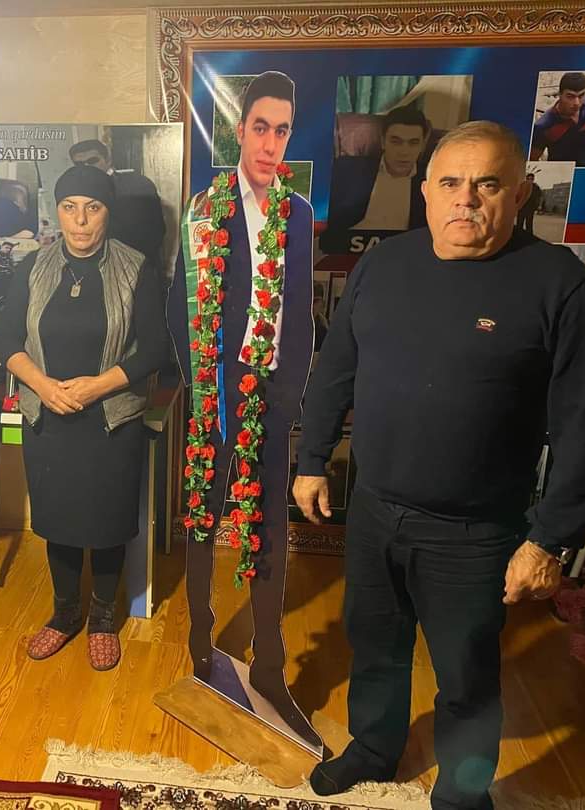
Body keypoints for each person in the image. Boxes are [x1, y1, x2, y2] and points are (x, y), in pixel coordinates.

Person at [293, 121, 585, 809]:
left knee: (466, 680)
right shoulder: (384, 265)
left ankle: (462, 796)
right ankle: (374, 747)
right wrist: (312, 457)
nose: (465, 199)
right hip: (374, 510)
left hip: (475, 533)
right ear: (425, 190)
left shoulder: (563, 287)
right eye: (450, 182)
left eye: (487, 184)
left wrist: (549, 540)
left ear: (519, 194)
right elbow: (337, 367)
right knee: (374, 647)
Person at [167, 70, 319, 746]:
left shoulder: (298, 213)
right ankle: (200, 642)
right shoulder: (206, 209)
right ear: (239, 130)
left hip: (272, 393)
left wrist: (287, 396)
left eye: (282, 130)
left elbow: (301, 314)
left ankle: (270, 663)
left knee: (268, 530)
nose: (270, 142)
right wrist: (201, 382)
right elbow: (178, 306)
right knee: (203, 515)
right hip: (214, 390)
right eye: (260, 127)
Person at [0, 165, 167, 671]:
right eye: (70, 208)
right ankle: (65, 613)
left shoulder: (137, 268)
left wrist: (96, 386)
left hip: (110, 419)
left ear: (108, 212)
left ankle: (103, 619)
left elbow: (155, 349)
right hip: (48, 417)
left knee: (107, 522)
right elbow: (4, 338)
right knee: (59, 521)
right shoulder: (34, 266)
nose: (81, 220)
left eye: (93, 208)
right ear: (57, 212)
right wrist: (43, 385)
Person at [326, 105, 432, 238]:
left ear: (422, 145)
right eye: (396, 142)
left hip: (402, 247)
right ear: (383, 141)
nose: (404, 152)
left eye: (413, 143)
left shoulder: (432, 179)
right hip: (351, 244)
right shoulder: (347, 169)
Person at [69, 138, 166, 267]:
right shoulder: (75, 194)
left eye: (92, 161)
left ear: (108, 160)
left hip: (137, 266)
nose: (87, 168)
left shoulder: (138, 186)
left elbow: (154, 233)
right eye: (80, 164)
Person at [530, 71, 585, 167]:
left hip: (584, 163)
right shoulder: (544, 125)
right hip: (559, 170)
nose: (576, 103)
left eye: (581, 95)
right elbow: (532, 160)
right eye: (570, 96)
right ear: (560, 95)